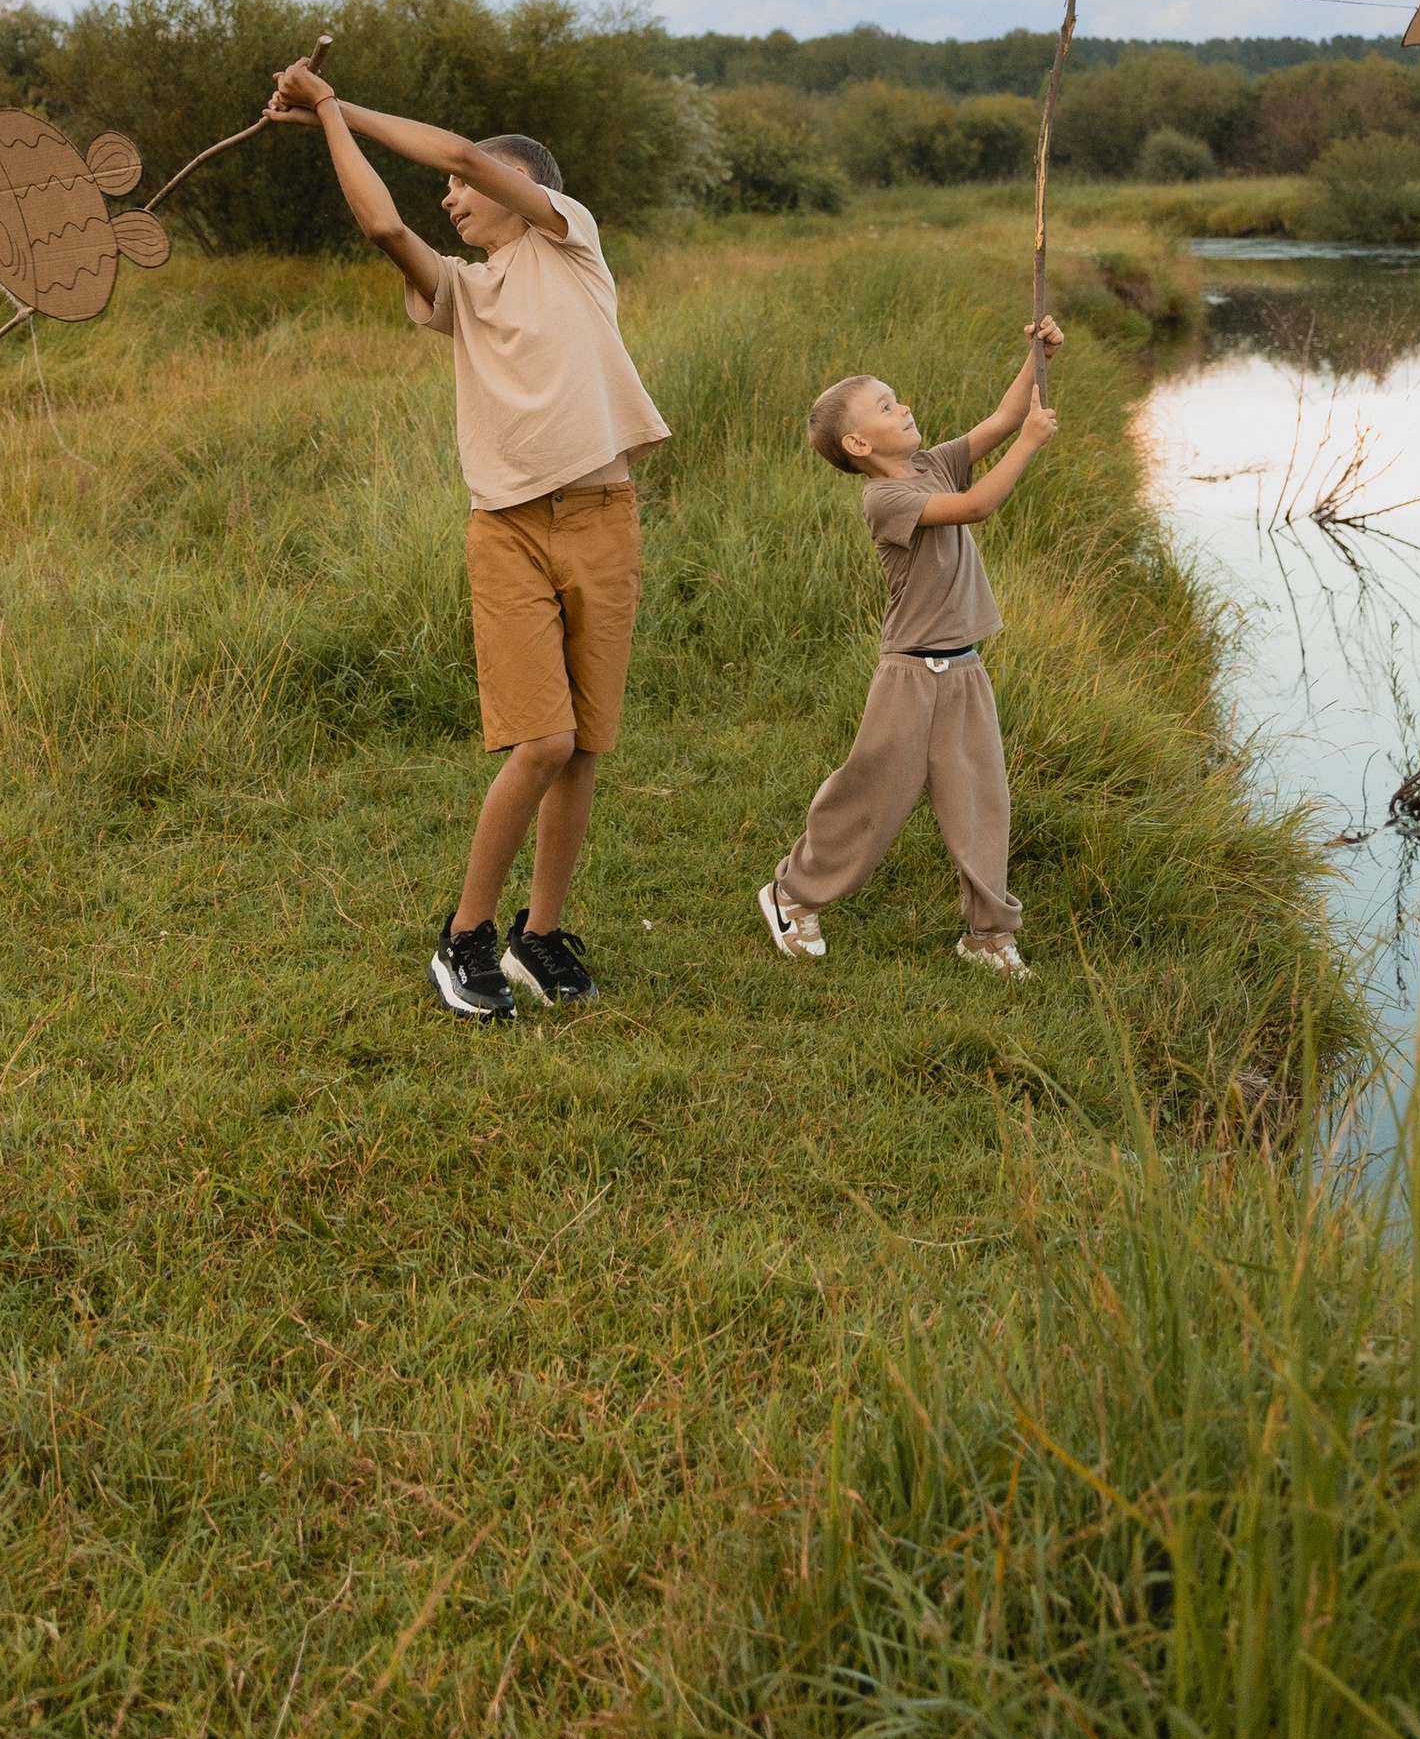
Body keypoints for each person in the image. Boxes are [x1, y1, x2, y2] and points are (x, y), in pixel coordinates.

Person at [267, 58, 668, 1023]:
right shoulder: (460, 289)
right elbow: (382, 225)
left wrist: (337, 100)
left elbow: (458, 149)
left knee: (583, 749)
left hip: (604, 518)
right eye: (447, 187)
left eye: (464, 184)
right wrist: (329, 121)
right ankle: (466, 935)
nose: (448, 196)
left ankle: (541, 934)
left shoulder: (570, 243)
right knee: (545, 739)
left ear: (524, 190)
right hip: (510, 531)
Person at [760, 324, 1060, 979]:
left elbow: (1005, 418)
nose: (905, 408)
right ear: (859, 444)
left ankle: (987, 935)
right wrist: (1031, 444)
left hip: (965, 669)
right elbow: (976, 507)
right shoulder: (885, 497)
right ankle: (792, 894)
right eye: (887, 406)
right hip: (910, 674)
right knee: (872, 795)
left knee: (982, 801)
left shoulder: (933, 465)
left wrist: (1036, 355)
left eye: (897, 399)